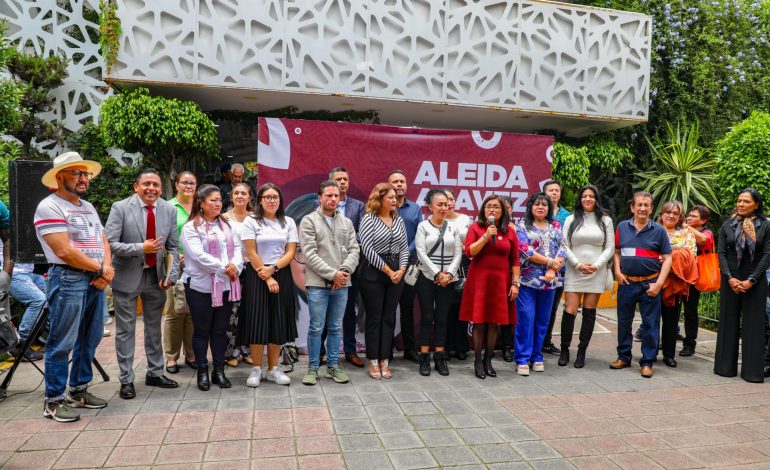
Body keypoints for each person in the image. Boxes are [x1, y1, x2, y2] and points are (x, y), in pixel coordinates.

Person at [34, 151, 115, 422]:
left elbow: (103, 240)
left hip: (94, 278)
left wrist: (106, 270)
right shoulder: (49, 206)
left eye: (85, 174)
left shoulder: (88, 206)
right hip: (68, 278)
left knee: (89, 339)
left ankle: (78, 391)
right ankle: (53, 401)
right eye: (76, 173)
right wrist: (101, 269)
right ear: (59, 177)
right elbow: (64, 251)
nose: (83, 179)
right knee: (62, 341)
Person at [106, 168, 181, 399]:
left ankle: (155, 373)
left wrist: (171, 276)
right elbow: (109, 244)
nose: (152, 188)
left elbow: (174, 247)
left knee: (153, 328)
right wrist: (141, 248)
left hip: (156, 279)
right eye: (146, 184)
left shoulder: (168, 209)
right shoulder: (120, 208)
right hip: (127, 278)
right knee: (126, 331)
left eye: (156, 185)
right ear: (136, 186)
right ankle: (126, 380)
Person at [180, 185, 243, 391]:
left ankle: (219, 371)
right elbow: (198, 256)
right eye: (213, 200)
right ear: (201, 203)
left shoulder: (228, 225)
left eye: (219, 200)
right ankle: (202, 371)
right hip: (200, 286)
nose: (218, 204)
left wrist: (236, 266)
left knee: (219, 330)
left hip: (225, 286)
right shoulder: (191, 228)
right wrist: (226, 268)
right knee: (202, 331)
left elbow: (239, 249)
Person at [300, 180, 360, 385]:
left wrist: (343, 272)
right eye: (329, 195)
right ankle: (313, 368)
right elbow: (309, 254)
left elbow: (354, 250)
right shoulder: (309, 221)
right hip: (318, 284)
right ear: (320, 198)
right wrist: (332, 274)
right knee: (316, 327)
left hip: (342, 283)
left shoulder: (347, 223)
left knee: (335, 327)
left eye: (336, 196)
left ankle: (333, 367)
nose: (333, 199)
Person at [238, 183, 297, 387]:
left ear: (280, 200)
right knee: (257, 322)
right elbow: (251, 252)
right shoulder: (251, 221)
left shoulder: (288, 222)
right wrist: (267, 275)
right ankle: (256, 369)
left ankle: (273, 369)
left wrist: (273, 270)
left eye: (275, 197)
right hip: (257, 274)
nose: (271, 200)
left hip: (281, 274)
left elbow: (290, 252)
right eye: (267, 197)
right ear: (260, 200)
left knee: (277, 322)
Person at [611, 192, 672, 378]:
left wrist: (659, 284)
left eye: (647, 205)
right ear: (632, 207)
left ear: (652, 208)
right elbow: (617, 252)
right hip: (627, 282)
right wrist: (618, 272)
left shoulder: (659, 231)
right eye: (639, 205)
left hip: (650, 285)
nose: (642, 208)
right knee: (623, 322)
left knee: (651, 324)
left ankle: (647, 362)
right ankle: (623, 356)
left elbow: (668, 258)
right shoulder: (622, 226)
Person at [459, 195, 520, 379]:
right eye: (488, 206)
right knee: (479, 322)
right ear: (483, 210)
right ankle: (477, 361)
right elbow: (470, 251)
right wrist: (486, 237)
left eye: (496, 207)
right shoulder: (476, 228)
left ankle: (488, 360)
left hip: (501, 281)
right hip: (480, 280)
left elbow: (515, 260)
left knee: (494, 323)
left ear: (503, 211)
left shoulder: (510, 232)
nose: (491, 209)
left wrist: (516, 283)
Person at [715, 188, 770, 383]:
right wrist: (729, 277)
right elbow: (721, 253)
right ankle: (724, 367)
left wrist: (751, 280)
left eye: (746, 201)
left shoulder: (765, 226)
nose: (741, 204)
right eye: (739, 201)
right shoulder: (728, 225)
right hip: (731, 278)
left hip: (755, 279)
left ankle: (752, 372)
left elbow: (767, 255)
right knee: (728, 322)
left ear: (756, 204)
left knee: (754, 325)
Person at [559, 185, 615, 368]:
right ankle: (565, 349)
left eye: (591, 196)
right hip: (574, 269)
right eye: (585, 196)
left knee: (590, 312)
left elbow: (610, 247)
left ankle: (582, 351)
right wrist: (577, 264)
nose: (588, 199)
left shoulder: (605, 220)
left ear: (597, 199)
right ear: (580, 199)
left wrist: (596, 266)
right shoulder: (570, 219)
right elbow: (564, 245)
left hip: (596, 272)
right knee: (570, 310)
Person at [358, 183, 409, 379]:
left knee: (389, 318)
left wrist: (402, 269)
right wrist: (388, 271)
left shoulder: (398, 220)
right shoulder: (369, 219)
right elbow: (367, 249)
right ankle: (372, 360)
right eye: (390, 197)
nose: (395, 200)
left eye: (395, 197)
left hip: (397, 272)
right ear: (379, 199)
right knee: (374, 318)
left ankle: (385, 360)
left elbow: (404, 248)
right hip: (374, 273)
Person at [514, 193, 566, 376]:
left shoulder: (556, 226)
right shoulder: (522, 226)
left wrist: (552, 269)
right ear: (531, 207)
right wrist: (550, 262)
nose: (541, 207)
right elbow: (524, 250)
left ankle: (537, 356)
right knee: (526, 319)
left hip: (550, 283)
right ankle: (522, 358)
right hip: (528, 282)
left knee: (543, 321)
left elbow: (563, 248)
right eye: (537, 204)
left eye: (545, 205)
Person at [319, 167, 366, 368]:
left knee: (348, 311)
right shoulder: (319, 206)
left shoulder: (359, 206)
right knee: (322, 311)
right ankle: (319, 352)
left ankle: (350, 351)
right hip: (325, 267)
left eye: (345, 179)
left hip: (350, 267)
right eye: (338, 179)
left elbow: (361, 234)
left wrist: (344, 249)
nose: (343, 182)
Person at [415, 189, 462, 376]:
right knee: (427, 318)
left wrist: (449, 274)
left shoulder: (453, 227)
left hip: (448, 280)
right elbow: (421, 253)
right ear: (430, 207)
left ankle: (440, 357)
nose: (444, 208)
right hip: (427, 278)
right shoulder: (422, 227)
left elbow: (458, 252)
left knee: (442, 319)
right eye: (439, 204)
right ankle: (424, 357)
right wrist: (437, 274)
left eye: (446, 204)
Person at [163, 171, 197, 373]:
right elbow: (161, 235)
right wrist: (174, 255)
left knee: (193, 311)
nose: (188, 186)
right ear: (176, 184)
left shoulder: (200, 205)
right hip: (174, 263)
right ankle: (171, 357)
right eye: (184, 182)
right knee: (174, 310)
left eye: (192, 183)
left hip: (197, 265)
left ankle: (191, 354)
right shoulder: (168, 207)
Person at [388, 169, 423, 363]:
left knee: (407, 308)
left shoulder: (415, 208)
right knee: (388, 308)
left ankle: (410, 349)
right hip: (388, 266)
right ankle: (387, 349)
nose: (399, 184)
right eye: (395, 181)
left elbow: (420, 236)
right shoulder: (384, 207)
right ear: (388, 185)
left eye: (402, 181)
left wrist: (404, 252)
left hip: (410, 266)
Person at [657, 200, 697, 368]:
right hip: (653, 280)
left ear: (680, 216)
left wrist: (668, 258)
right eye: (668, 212)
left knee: (671, 320)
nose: (671, 215)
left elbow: (691, 255)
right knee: (650, 319)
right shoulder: (652, 230)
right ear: (661, 214)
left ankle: (668, 354)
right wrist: (675, 255)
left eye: (676, 213)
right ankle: (650, 353)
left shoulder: (687, 233)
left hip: (675, 283)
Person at [223, 183, 254, 368]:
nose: (240, 196)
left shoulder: (256, 218)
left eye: (244, 193)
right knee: (232, 312)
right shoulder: (224, 218)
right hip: (233, 270)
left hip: (252, 268)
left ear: (250, 197)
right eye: (236, 193)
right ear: (231, 196)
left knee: (249, 311)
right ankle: (230, 352)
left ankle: (246, 349)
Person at [680, 205, 714, 356]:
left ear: (703, 220)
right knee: (671, 309)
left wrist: (687, 227)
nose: (689, 218)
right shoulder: (681, 230)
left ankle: (689, 344)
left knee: (690, 311)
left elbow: (703, 240)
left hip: (694, 279)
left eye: (694, 216)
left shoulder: (706, 232)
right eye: (689, 215)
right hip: (678, 275)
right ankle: (669, 337)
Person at [541, 180, 570, 355]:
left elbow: (566, 243)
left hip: (560, 269)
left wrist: (557, 263)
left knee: (552, 307)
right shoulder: (536, 212)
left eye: (556, 190)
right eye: (550, 190)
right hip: (536, 268)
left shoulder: (567, 216)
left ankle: (547, 341)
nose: (553, 193)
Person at [444, 189, 472, 361]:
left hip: (464, 265)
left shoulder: (465, 219)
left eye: (451, 199)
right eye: (445, 199)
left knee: (462, 307)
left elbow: (471, 242)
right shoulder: (436, 221)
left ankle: (462, 346)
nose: (448, 202)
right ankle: (446, 346)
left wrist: (465, 247)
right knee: (445, 308)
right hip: (444, 266)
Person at [7, 263, 47, 361]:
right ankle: (21, 344)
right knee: (39, 300)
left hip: (29, 274)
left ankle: (46, 334)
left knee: (55, 294)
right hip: (12, 274)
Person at [499, 195, 518, 362]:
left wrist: (515, 281)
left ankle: (507, 348)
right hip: (495, 275)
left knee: (508, 314)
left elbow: (516, 257)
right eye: (501, 207)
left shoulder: (516, 229)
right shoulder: (488, 228)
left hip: (511, 276)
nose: (505, 211)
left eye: (508, 207)